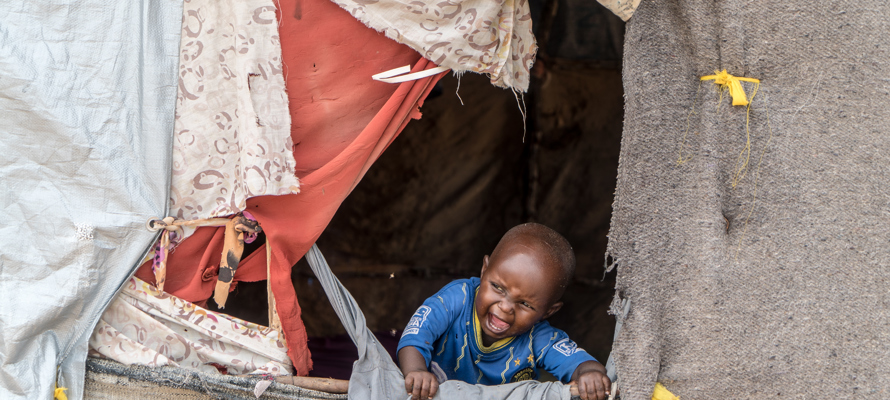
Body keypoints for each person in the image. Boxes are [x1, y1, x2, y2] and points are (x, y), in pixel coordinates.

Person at [397, 223, 611, 400]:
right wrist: (417, 372)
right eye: (498, 288)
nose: (506, 307)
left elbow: (582, 364)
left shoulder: (539, 338)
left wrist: (590, 375)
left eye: (525, 304)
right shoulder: (457, 298)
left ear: (548, 312)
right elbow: (415, 336)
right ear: (484, 270)